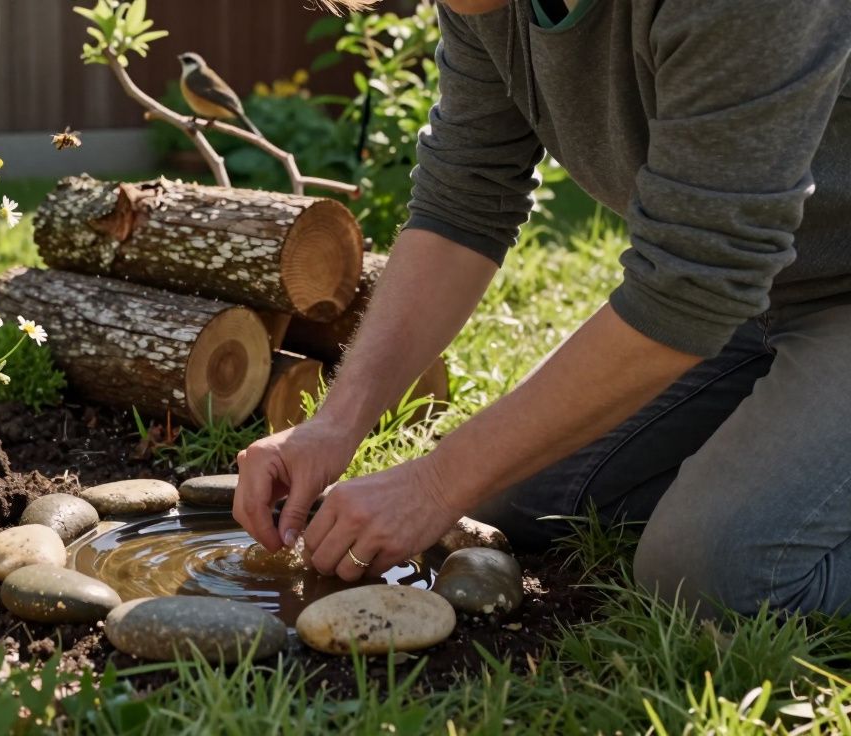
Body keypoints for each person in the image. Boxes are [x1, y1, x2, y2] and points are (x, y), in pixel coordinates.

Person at [234, 0, 851, 618]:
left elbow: (694, 285)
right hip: (763, 292)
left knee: (714, 575)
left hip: (792, 289)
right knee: (510, 492)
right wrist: (336, 423)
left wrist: (436, 481)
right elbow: (466, 196)